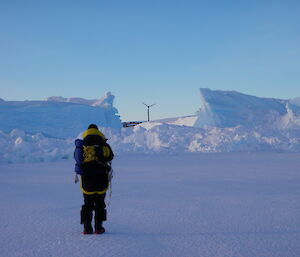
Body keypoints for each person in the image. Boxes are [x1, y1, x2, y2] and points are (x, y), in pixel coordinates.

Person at [74, 124, 114, 234]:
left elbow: (77, 159)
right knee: (100, 203)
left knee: (87, 203)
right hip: (102, 178)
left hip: (87, 179)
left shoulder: (82, 145)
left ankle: (87, 228)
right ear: (97, 131)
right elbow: (110, 156)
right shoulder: (103, 144)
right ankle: (98, 228)